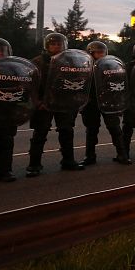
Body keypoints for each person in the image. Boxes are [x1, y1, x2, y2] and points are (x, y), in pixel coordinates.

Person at [27, 32, 87, 176]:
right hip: (44, 104)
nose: (56, 46)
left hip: (64, 103)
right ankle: (34, 165)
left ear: (64, 45)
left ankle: (68, 160)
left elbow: (78, 81)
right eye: (53, 44)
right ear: (47, 46)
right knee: (40, 134)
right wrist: (37, 102)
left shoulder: (71, 62)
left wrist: (76, 100)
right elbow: (30, 85)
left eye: (59, 44)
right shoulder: (37, 62)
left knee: (66, 131)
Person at [0, 37, 36, 182]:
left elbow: (25, 88)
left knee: (6, 141)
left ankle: (4, 171)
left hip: (6, 111)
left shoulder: (15, 68)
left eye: (0, 51)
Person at [80, 41, 130, 165]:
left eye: (102, 52)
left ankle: (122, 154)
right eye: (98, 52)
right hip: (92, 103)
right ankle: (90, 157)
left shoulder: (111, 66)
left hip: (109, 100)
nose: (100, 54)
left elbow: (120, 82)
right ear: (91, 53)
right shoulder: (85, 66)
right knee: (91, 130)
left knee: (115, 129)